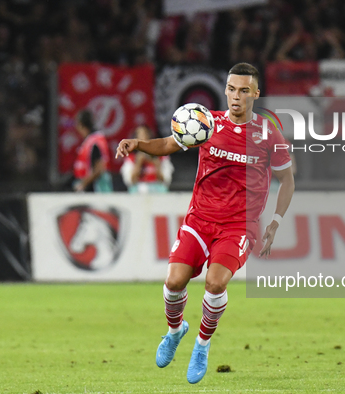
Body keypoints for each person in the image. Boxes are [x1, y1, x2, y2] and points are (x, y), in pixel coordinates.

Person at [115, 62, 294, 384]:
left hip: (240, 224)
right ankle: (175, 330)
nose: (235, 96)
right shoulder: (206, 123)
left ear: (255, 93)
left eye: (243, 90)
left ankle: (202, 345)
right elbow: (168, 145)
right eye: (230, 89)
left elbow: (288, 180)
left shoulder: (270, 135)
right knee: (173, 282)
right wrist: (138, 144)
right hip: (200, 218)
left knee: (215, 283)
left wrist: (276, 222)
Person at [120, 125, 174, 193]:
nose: (143, 138)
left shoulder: (162, 156)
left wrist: (157, 164)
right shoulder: (131, 158)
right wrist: (138, 163)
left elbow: (166, 181)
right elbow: (130, 182)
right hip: (138, 190)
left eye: (145, 134)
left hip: (157, 190)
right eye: (139, 135)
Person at [73, 110, 113, 193]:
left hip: (96, 189)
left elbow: (99, 168)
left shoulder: (94, 142)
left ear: (81, 125)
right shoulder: (91, 141)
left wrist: (83, 184)